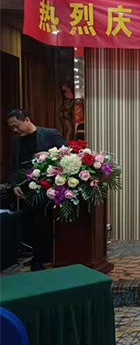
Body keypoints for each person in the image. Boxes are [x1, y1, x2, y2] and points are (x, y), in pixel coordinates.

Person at [7, 109, 66, 270]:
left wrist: (50, 155)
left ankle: (46, 258)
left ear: (27, 119)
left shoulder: (50, 134)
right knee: (29, 225)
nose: (15, 130)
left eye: (17, 125)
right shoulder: (15, 141)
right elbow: (13, 166)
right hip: (26, 188)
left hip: (47, 187)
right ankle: (38, 257)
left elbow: (68, 154)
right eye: (12, 128)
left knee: (43, 223)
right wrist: (15, 185)